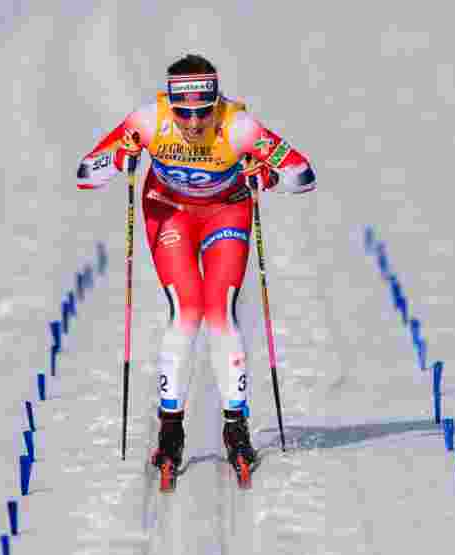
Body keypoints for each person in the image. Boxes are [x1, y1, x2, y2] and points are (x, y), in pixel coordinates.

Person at [77, 54, 315, 475]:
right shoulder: (148, 121)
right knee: (187, 311)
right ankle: (171, 431)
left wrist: (268, 177)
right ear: (170, 104)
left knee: (219, 311)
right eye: (183, 112)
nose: (192, 123)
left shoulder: (240, 128)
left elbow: (304, 173)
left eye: (202, 112)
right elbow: (85, 173)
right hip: (169, 211)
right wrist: (120, 157)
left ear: (216, 102)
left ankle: (235, 427)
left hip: (227, 211)